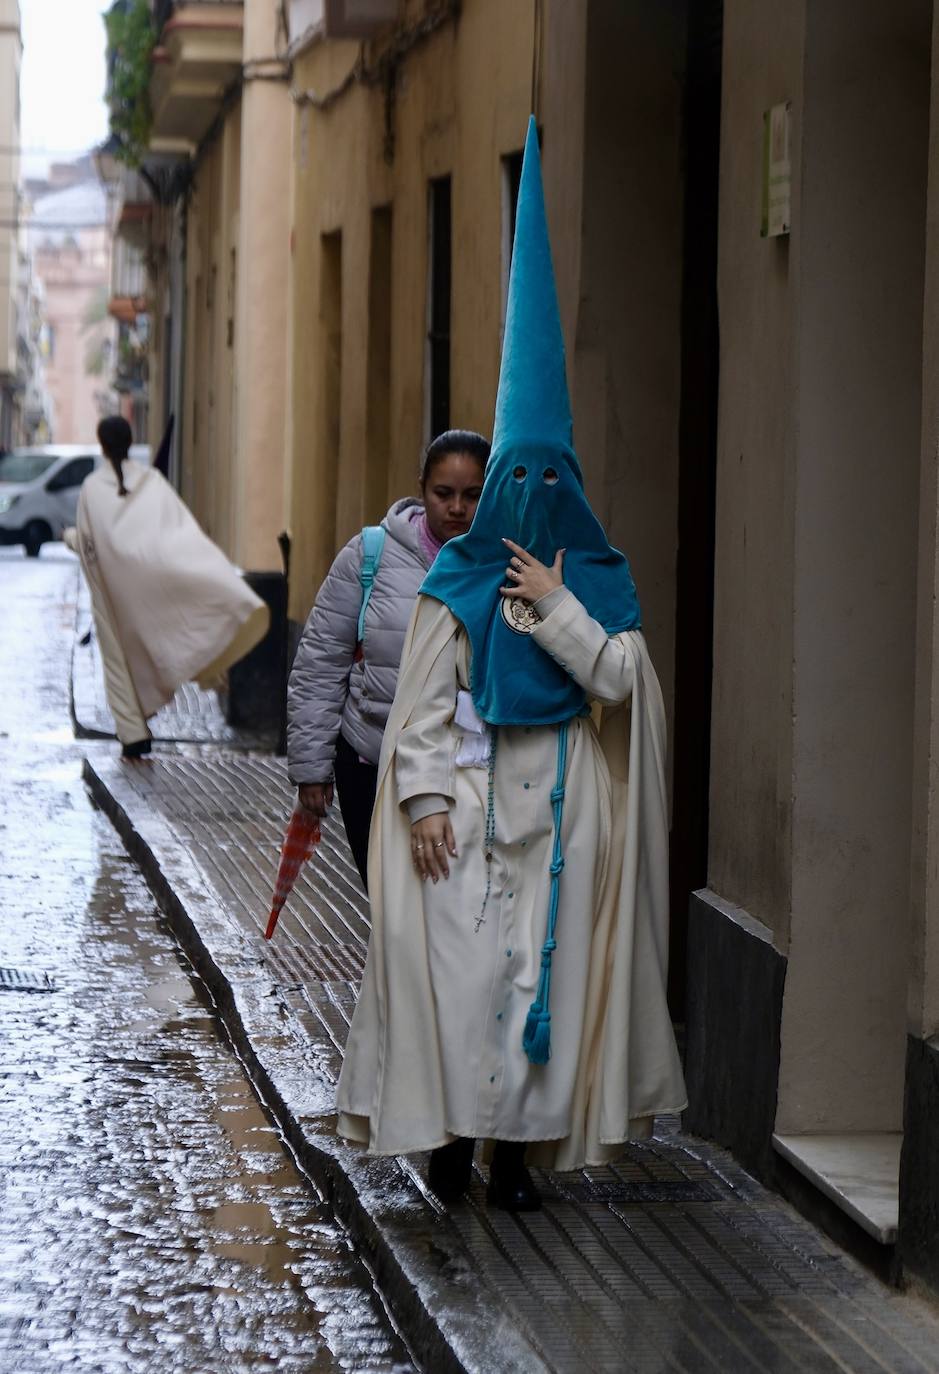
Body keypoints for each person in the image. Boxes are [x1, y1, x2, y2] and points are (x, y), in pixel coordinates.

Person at [336, 119, 686, 1211]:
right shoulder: (454, 583)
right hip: (466, 817)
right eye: (511, 479)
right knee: (455, 989)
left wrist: (563, 608)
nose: (528, 495)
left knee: (545, 990)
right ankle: (446, 1143)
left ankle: (521, 1161)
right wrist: (427, 797)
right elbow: (425, 704)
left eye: (547, 475)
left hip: (561, 825)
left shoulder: (595, 578)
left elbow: (623, 686)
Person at [286, 431, 489, 888]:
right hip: (372, 765)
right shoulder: (369, 556)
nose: (457, 508)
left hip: (466, 774)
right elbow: (320, 662)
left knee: (448, 904)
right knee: (388, 900)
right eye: (443, 494)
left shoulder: (503, 565)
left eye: (471, 495)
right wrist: (312, 769)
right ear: (421, 488)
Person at [67, 415, 269, 758]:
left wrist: (69, 539)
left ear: (102, 445)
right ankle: (138, 725)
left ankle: (132, 732)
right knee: (148, 647)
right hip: (149, 584)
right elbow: (178, 534)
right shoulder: (151, 480)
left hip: (112, 589)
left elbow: (89, 543)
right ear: (129, 442)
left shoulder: (91, 488)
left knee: (117, 660)